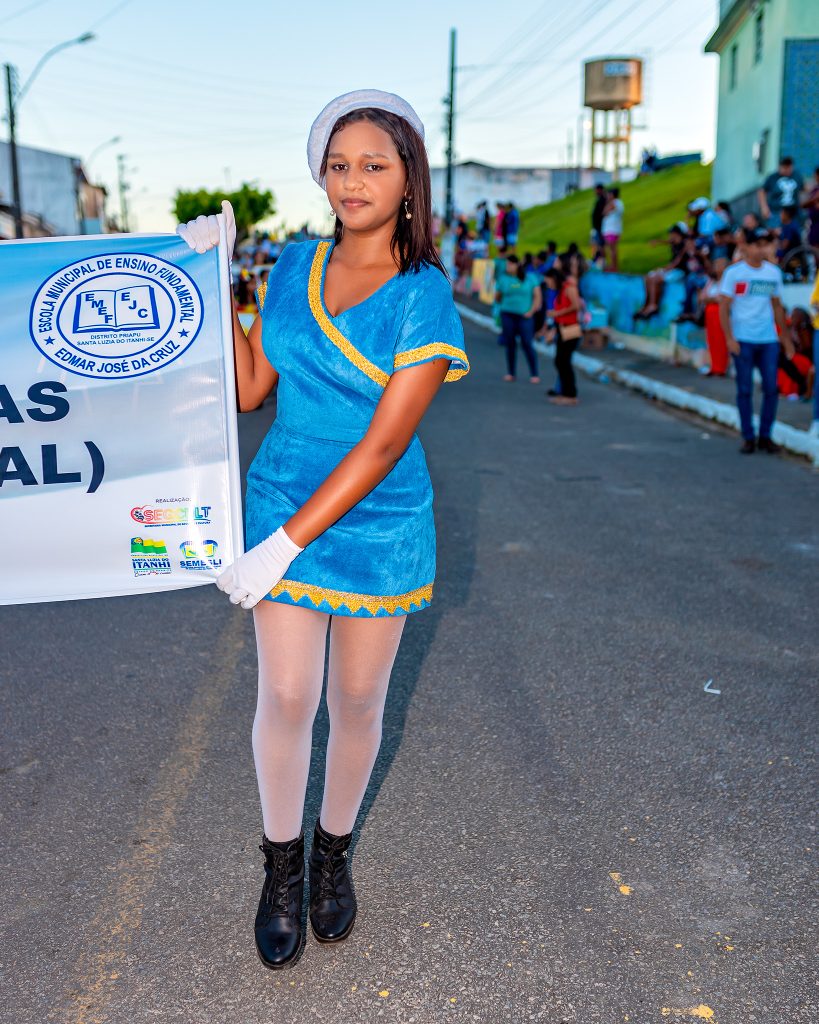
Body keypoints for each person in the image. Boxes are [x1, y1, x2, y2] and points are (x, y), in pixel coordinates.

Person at [176, 89, 469, 971]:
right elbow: (249, 389)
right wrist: (218, 280)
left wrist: (281, 546)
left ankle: (333, 853)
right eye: (338, 165)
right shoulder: (294, 264)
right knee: (287, 696)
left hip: (376, 520)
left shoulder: (424, 293)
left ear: (409, 179)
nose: (352, 181)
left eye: (373, 165)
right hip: (283, 492)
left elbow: (383, 444)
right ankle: (282, 867)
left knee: (357, 701)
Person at [719, 227, 788, 454]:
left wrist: (785, 338)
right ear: (746, 247)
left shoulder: (773, 273)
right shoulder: (734, 273)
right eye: (757, 245)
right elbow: (724, 307)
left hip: (768, 339)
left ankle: (765, 436)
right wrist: (729, 338)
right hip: (743, 339)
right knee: (745, 389)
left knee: (771, 388)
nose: (761, 249)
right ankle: (748, 436)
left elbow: (777, 306)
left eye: (765, 245)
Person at [495, 253, 541, 383]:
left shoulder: (530, 278)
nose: (508, 266)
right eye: (507, 264)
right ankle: (511, 372)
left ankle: (534, 373)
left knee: (527, 343)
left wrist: (531, 311)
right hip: (508, 314)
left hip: (525, 316)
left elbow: (537, 296)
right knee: (510, 343)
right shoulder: (503, 278)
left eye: (510, 264)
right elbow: (497, 297)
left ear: (517, 265)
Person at [634, 223, 687, 320]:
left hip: (680, 271)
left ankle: (654, 305)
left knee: (656, 279)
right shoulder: (674, 243)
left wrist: (664, 270)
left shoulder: (684, 245)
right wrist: (658, 242)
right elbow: (668, 242)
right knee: (648, 277)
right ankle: (646, 304)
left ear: (677, 234)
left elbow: (677, 262)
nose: (670, 236)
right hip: (671, 269)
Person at [545, 266, 581, 405]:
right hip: (561, 329)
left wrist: (557, 313)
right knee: (560, 362)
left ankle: (570, 395)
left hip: (570, 329)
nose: (548, 285)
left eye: (549, 281)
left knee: (564, 362)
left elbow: (576, 306)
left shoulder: (569, 288)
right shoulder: (560, 291)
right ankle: (564, 392)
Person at [758, 156, 804, 228]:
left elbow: (803, 189)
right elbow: (762, 191)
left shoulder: (797, 176)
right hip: (776, 211)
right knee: (776, 231)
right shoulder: (772, 177)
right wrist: (764, 207)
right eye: (785, 167)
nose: (787, 170)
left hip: (793, 213)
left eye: (789, 167)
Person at [601, 187, 624, 272]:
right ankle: (614, 266)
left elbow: (604, 212)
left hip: (612, 230)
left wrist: (608, 202)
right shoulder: (619, 203)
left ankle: (614, 267)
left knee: (612, 249)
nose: (607, 196)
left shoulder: (614, 203)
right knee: (612, 249)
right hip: (613, 229)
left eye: (609, 194)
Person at [591, 183, 606, 262]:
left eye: (596, 190)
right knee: (596, 244)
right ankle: (598, 260)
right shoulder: (600, 199)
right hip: (597, 227)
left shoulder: (602, 200)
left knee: (599, 245)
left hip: (599, 227)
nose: (595, 192)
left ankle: (601, 261)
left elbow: (601, 213)